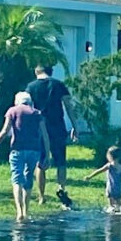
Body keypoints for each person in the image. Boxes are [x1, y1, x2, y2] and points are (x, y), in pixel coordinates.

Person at [0, 92, 51, 222]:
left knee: (17, 179)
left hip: (17, 149)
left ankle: (19, 211)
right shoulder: (37, 113)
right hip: (34, 150)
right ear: (29, 101)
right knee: (28, 178)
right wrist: (47, 153)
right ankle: (26, 211)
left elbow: (5, 131)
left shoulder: (12, 111)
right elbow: (45, 135)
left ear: (17, 101)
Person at [26, 65, 79, 208]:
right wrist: (74, 125)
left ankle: (41, 196)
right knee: (61, 161)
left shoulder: (31, 87)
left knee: (41, 162)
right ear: (51, 72)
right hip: (57, 126)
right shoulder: (58, 85)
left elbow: (27, 108)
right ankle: (61, 189)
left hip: (39, 127)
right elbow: (68, 105)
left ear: (36, 72)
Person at [84, 145, 121, 214]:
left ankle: (112, 212)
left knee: (111, 205)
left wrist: (89, 177)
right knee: (118, 202)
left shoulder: (109, 165)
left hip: (110, 187)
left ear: (110, 156)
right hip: (119, 188)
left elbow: (99, 171)